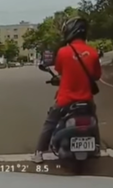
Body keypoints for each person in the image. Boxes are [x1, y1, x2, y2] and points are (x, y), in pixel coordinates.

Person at [32, 17, 102, 164]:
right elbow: (96, 75)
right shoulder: (93, 53)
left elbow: (59, 70)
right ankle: (96, 146)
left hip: (66, 100)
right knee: (94, 119)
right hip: (86, 99)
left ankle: (39, 152)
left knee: (50, 123)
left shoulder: (63, 52)